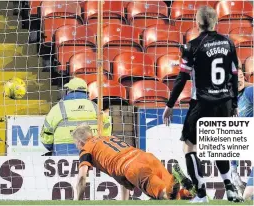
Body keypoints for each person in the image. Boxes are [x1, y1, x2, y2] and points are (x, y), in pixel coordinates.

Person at [162, 6, 243, 203]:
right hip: (224, 103)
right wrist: (234, 104)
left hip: (202, 104)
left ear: (197, 23)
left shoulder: (192, 47)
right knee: (219, 147)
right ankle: (230, 189)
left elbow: (182, 79)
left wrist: (170, 105)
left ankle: (200, 195)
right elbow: (234, 76)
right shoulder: (228, 43)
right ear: (216, 22)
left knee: (189, 148)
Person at [72, 124, 180, 200]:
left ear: (79, 142)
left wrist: (79, 202)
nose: (77, 147)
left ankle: (173, 186)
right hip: (145, 156)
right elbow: (122, 179)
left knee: (164, 196)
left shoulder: (86, 149)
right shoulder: (107, 138)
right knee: (176, 195)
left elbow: (82, 178)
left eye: (75, 144)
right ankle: (183, 185)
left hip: (132, 167)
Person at [40, 78, 112, 155]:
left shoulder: (58, 108)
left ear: (69, 91)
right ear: (86, 92)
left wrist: (51, 147)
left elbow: (47, 134)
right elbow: (106, 129)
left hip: (63, 152)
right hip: (91, 153)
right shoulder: (95, 107)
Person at [231, 66, 253, 196]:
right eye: (236, 76)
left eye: (241, 76)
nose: (239, 79)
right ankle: (234, 175)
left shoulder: (249, 92)